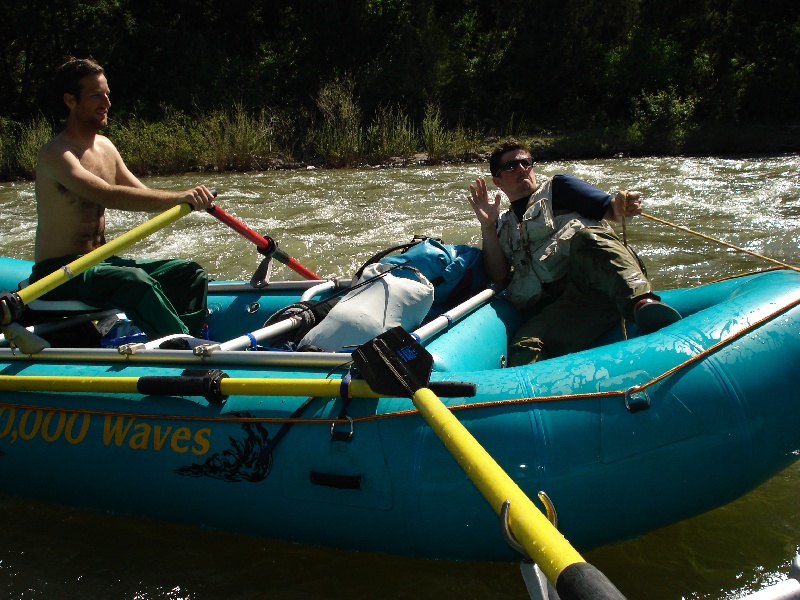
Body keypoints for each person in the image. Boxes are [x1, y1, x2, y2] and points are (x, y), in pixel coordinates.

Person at [31, 57, 215, 340]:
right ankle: (183, 349)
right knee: (134, 282)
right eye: (95, 95)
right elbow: (104, 194)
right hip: (58, 274)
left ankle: (180, 342)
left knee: (189, 274)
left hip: (100, 264)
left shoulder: (105, 147)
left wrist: (189, 198)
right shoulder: (56, 154)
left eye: (107, 94)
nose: (106, 102)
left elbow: (141, 193)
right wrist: (178, 196)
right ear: (70, 100)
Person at [467, 139, 681, 366]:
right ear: (497, 181)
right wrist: (488, 226)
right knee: (525, 345)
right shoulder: (503, 225)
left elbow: (611, 209)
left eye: (526, 163)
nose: (522, 169)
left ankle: (643, 304)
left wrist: (622, 205)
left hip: (604, 280)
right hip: (569, 306)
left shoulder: (559, 188)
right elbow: (498, 275)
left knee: (587, 236)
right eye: (511, 166)